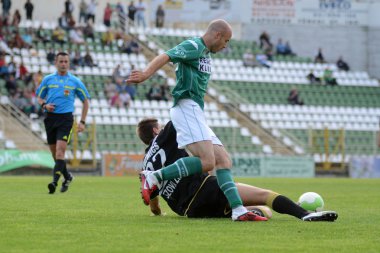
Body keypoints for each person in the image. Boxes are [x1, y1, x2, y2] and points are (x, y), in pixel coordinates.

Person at [127, 19, 266, 222]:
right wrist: (146, 74)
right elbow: (166, 55)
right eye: (226, 40)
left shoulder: (205, 53)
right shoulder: (194, 45)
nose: (226, 45)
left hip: (196, 110)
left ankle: (238, 210)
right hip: (186, 107)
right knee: (208, 162)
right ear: (217, 35)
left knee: (223, 161)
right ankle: (154, 176)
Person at [137, 118, 338, 222]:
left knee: (264, 213)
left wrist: (158, 214)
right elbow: (182, 118)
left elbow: (153, 203)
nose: (162, 127)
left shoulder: (145, 168)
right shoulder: (165, 135)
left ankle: (241, 210)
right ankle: (304, 214)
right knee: (264, 196)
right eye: (160, 126)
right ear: (156, 131)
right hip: (206, 188)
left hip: (191, 211)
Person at [36, 52, 90, 194]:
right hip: (50, 118)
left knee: (60, 152)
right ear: (56, 62)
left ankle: (54, 182)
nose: (64, 64)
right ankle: (67, 177)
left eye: (66, 61)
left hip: (66, 119)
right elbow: (39, 97)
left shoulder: (75, 81)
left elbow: (86, 101)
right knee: (55, 155)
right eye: (61, 61)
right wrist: (44, 106)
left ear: (69, 63)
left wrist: (82, 121)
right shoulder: (48, 80)